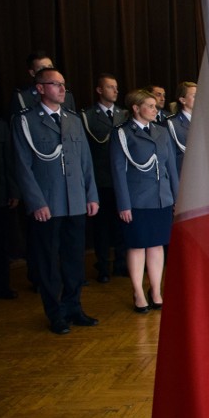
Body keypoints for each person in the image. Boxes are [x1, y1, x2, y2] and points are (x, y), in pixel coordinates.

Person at [12, 68, 99, 334]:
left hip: (74, 202)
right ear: (39, 88)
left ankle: (74, 307)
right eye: (55, 84)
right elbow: (22, 166)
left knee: (74, 258)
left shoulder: (72, 119)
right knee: (48, 261)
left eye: (63, 84)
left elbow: (86, 162)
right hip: (48, 204)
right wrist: (36, 202)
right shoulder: (26, 121)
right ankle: (55, 313)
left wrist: (91, 194)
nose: (62, 89)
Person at [110, 89, 179, 314]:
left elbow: (171, 169)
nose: (154, 109)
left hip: (161, 198)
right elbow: (118, 171)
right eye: (149, 106)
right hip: (137, 199)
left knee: (157, 245)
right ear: (136, 108)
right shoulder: (123, 134)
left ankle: (156, 290)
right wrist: (124, 204)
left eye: (155, 106)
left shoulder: (161, 132)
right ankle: (138, 291)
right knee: (138, 246)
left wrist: (176, 198)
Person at [81, 74, 129, 282]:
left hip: (121, 180)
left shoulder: (124, 114)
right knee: (101, 228)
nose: (115, 91)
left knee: (121, 225)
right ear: (99, 90)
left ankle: (120, 263)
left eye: (116, 87)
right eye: (110, 87)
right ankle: (103, 266)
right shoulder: (88, 116)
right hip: (100, 179)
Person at [0, 117, 18, 299]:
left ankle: (2, 286)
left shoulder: (0, 126)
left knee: (0, 244)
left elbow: (9, 161)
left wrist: (14, 191)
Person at [10, 51, 76, 115]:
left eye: (50, 67)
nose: (49, 71)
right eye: (43, 69)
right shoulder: (23, 97)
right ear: (32, 73)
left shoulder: (67, 95)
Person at [166, 81, 196, 175]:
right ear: (183, 100)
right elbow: (171, 160)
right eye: (195, 96)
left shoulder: (205, 121)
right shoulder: (172, 124)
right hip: (185, 177)